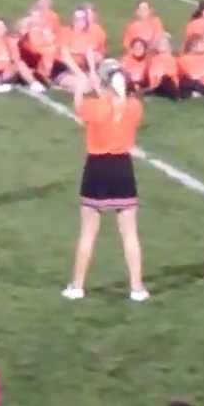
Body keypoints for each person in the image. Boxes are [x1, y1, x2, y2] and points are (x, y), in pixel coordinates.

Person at [64, 65, 149, 302]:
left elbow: (79, 107)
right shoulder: (135, 107)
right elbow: (117, 105)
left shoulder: (95, 107)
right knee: (130, 233)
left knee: (88, 232)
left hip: (97, 168)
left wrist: (80, 89)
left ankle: (77, 286)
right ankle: (137, 288)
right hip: (123, 168)